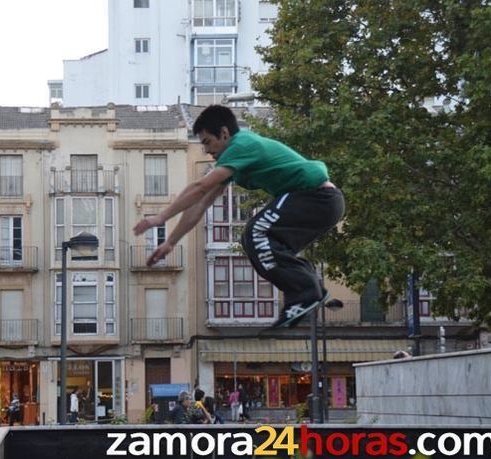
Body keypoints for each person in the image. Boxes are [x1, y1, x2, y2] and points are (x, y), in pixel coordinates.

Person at [134, 105, 345, 328]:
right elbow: (202, 203)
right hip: (321, 205)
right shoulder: (235, 160)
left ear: (224, 134)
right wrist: (170, 241)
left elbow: (199, 187)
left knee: (257, 232)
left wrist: (161, 217)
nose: (206, 151)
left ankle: (305, 292)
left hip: (316, 197)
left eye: (207, 142)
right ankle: (307, 289)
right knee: (257, 242)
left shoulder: (242, 144)